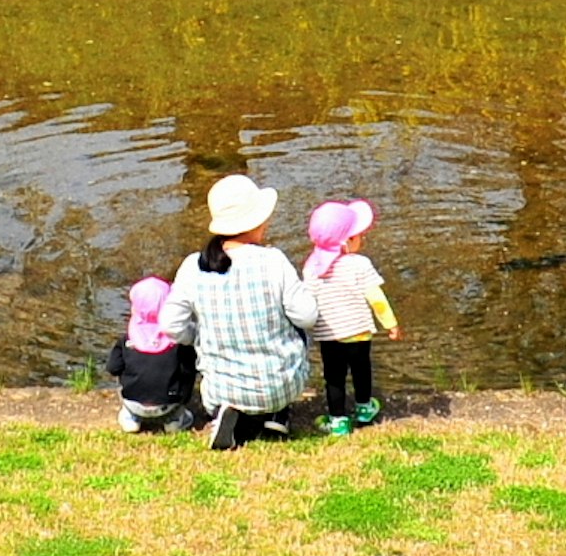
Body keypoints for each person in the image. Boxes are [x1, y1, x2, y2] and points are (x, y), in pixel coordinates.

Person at [163, 173, 322, 451]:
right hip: (280, 385)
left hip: (219, 391)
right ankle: (276, 413)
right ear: (257, 222)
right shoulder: (273, 260)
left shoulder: (193, 266)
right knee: (292, 330)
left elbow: (170, 324)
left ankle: (233, 415)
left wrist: (198, 336)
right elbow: (306, 316)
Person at [303, 198, 398, 433]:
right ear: (347, 242)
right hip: (359, 333)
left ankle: (338, 420)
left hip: (330, 336)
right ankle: (364, 408)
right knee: (362, 370)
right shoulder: (360, 264)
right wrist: (391, 324)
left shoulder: (312, 267)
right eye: (358, 236)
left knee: (334, 378)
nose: (362, 239)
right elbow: (376, 298)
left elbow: (307, 303)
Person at [107, 273, 204, 433]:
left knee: (127, 380)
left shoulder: (127, 340)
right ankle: (174, 420)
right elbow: (190, 370)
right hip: (169, 404)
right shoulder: (178, 342)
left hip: (133, 401)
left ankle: (131, 418)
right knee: (185, 370)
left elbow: (113, 368)